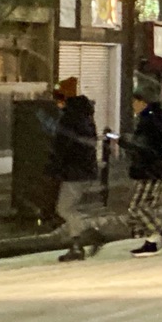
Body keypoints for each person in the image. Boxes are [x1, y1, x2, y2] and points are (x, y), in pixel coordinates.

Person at [53, 78, 102, 262]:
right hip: (85, 169)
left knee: (64, 208)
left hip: (75, 171)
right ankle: (78, 245)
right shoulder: (85, 116)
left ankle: (88, 235)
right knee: (68, 208)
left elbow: (63, 146)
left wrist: (55, 167)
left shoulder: (70, 118)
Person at [126, 81, 162, 256]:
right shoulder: (152, 118)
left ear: (143, 102)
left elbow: (144, 147)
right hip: (150, 169)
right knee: (144, 208)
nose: (133, 105)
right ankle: (151, 241)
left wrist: (125, 142)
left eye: (135, 101)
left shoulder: (149, 121)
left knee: (137, 208)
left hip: (150, 171)